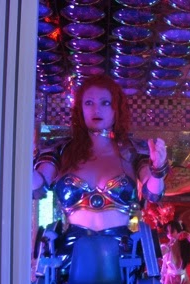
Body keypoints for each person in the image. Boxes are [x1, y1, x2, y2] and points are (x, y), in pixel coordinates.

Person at [32, 74, 168, 269]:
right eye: (89, 103)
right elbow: (37, 186)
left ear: (116, 109)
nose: (97, 109)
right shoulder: (61, 149)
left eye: (105, 103)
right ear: (80, 109)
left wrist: (157, 169)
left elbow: (153, 193)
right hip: (70, 254)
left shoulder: (133, 150)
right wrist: (21, 161)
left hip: (122, 255)